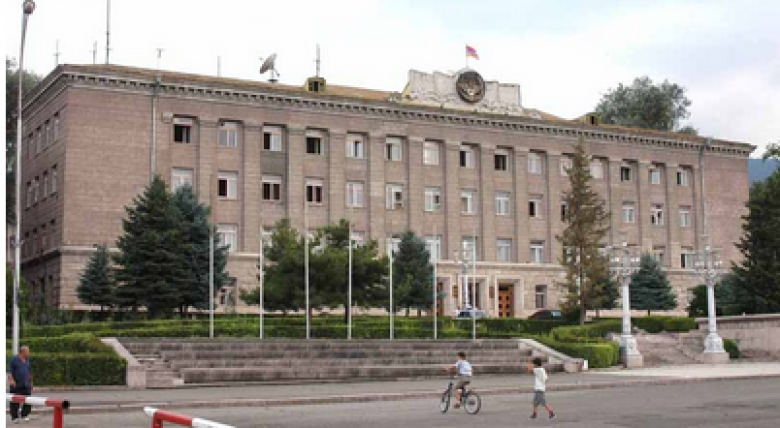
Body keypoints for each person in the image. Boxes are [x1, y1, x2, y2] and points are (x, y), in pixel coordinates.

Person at [7, 346, 34, 424]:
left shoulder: (27, 360)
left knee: (28, 400)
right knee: (15, 401)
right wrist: (11, 381)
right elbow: (10, 372)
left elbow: (29, 372)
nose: (29, 353)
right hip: (16, 385)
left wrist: (31, 383)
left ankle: (24, 415)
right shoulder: (14, 360)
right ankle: (14, 417)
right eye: (28, 352)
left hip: (26, 384)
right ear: (23, 352)